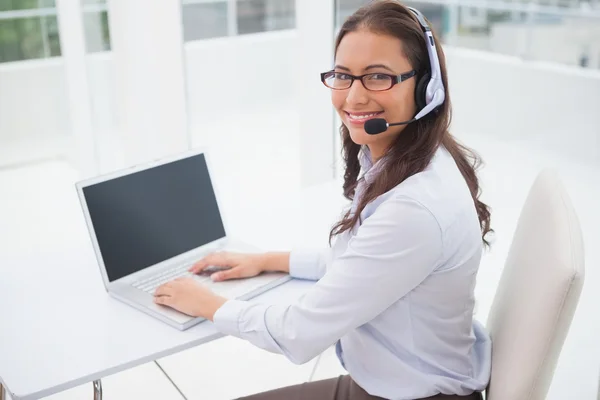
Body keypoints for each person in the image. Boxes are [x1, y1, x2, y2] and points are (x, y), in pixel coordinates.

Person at [154, 1, 493, 399]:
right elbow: (364, 263)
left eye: (378, 77)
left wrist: (206, 304)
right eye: (343, 76)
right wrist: (267, 261)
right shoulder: (410, 160)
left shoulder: (414, 208)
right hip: (389, 383)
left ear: (426, 88)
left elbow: (297, 332)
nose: (353, 98)